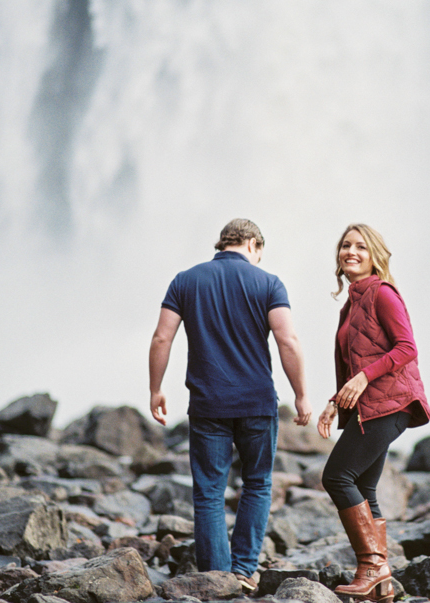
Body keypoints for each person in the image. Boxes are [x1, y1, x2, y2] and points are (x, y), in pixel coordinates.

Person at [149, 218, 311, 591]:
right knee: (257, 483)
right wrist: (301, 394)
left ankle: (218, 576)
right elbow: (289, 341)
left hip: (208, 404)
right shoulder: (268, 282)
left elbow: (162, 338)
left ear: (223, 243)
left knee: (208, 490)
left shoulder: (185, 280)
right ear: (253, 244)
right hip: (256, 402)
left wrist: (156, 388)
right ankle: (242, 569)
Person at [317, 223, 430, 603]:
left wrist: (364, 379)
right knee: (364, 488)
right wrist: (337, 402)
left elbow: (406, 348)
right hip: (372, 405)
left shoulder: (383, 295)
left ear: (375, 256)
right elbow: (356, 362)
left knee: (337, 476)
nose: (351, 251)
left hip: (391, 403)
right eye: (345, 245)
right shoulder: (353, 302)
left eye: (361, 247)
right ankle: (380, 585)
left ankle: (371, 566)